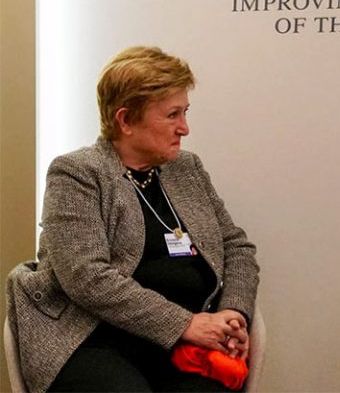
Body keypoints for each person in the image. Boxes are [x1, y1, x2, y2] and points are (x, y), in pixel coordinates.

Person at [6, 46, 260, 392]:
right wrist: (185, 323)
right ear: (125, 120)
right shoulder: (77, 173)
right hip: (93, 338)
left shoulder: (187, 169)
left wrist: (233, 314)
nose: (184, 128)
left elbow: (236, 247)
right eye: (171, 115)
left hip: (186, 343)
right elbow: (86, 277)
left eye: (185, 112)